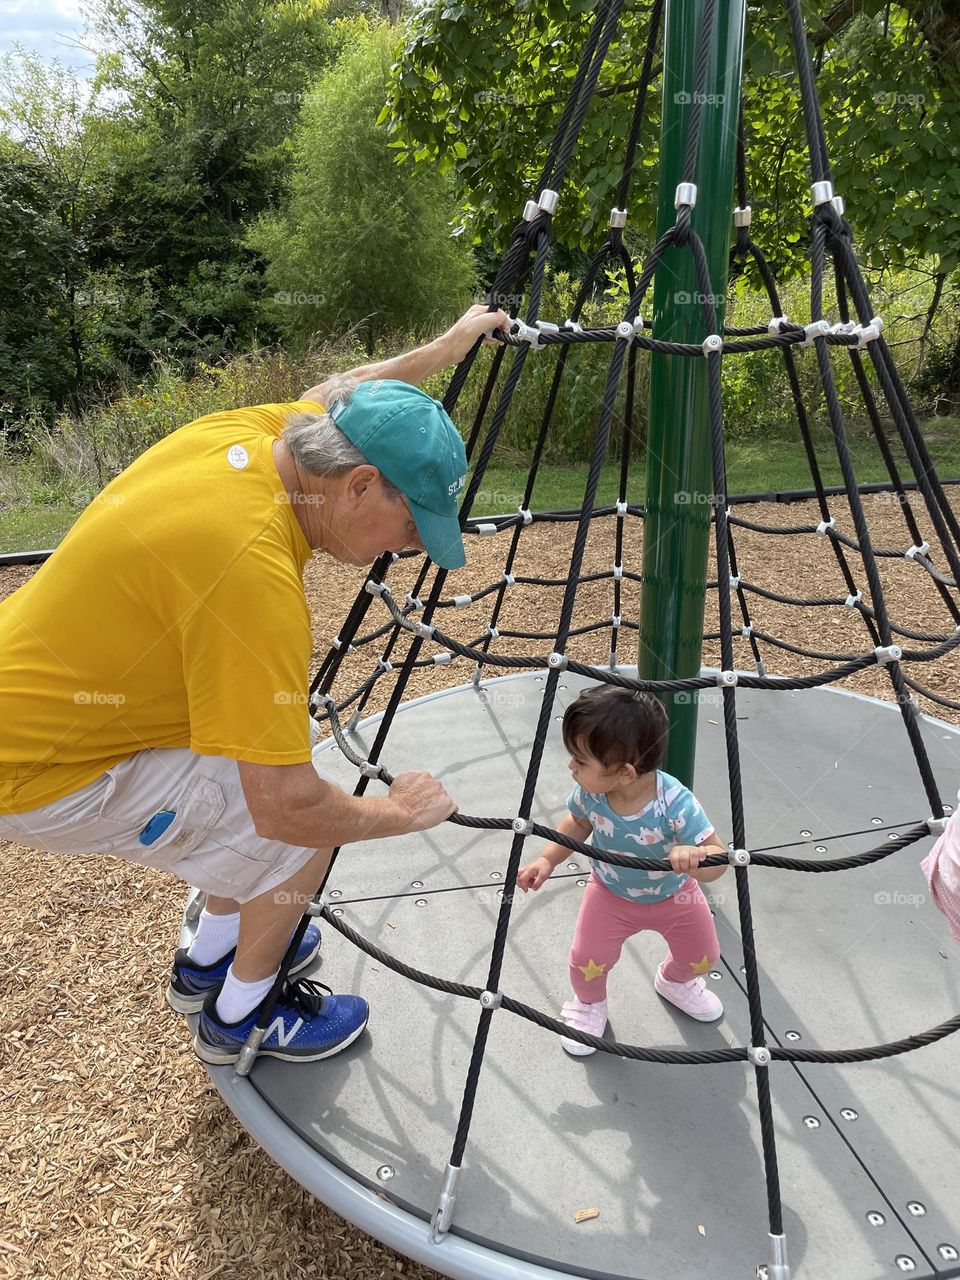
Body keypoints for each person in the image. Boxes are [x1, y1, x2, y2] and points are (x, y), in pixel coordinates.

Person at [0, 304, 508, 1066]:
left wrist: (446, 347)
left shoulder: (264, 435)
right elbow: (287, 808)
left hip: (36, 697)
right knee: (309, 827)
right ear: (359, 486)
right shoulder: (253, 579)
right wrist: (401, 812)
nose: (408, 549)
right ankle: (243, 1015)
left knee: (260, 759)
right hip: (40, 771)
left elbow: (348, 388)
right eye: (412, 525)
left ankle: (209, 958)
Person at [517, 685, 728, 1055]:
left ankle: (675, 981)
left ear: (625, 773)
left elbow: (719, 857)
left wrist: (697, 857)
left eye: (580, 761)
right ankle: (589, 1004)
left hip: (674, 894)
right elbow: (577, 823)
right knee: (587, 960)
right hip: (609, 893)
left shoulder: (675, 802)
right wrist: (548, 859)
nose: (571, 767)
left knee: (704, 955)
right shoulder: (591, 794)